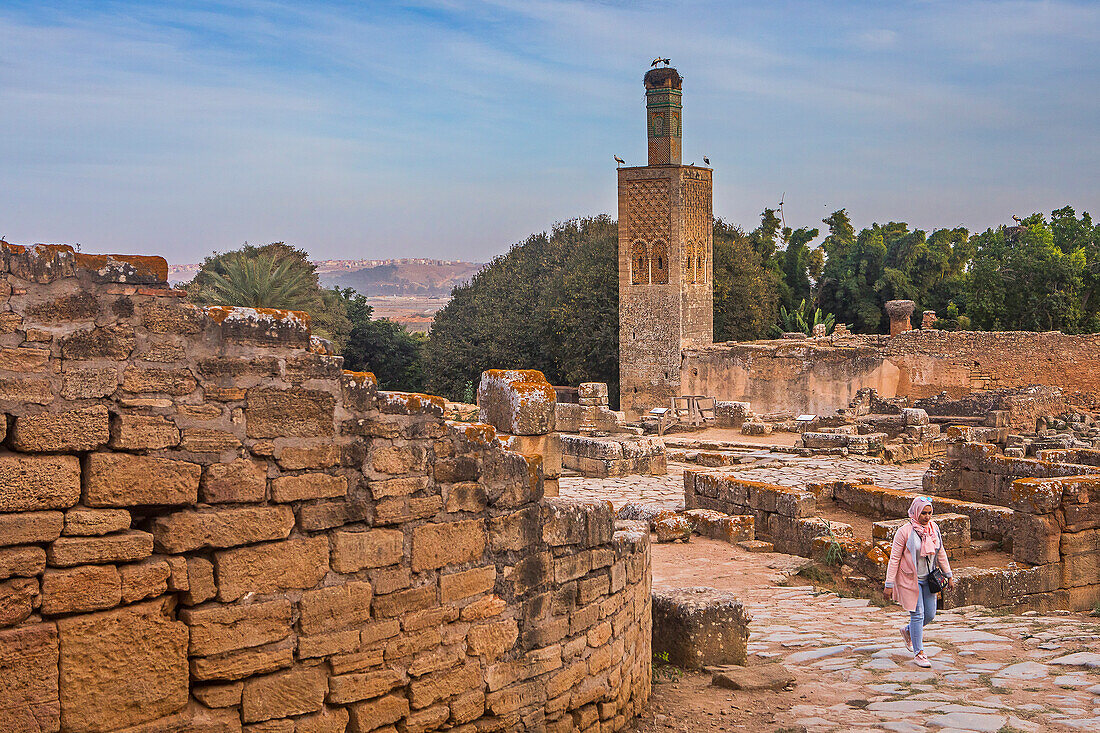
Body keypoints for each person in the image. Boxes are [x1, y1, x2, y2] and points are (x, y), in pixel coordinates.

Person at [883, 496, 955, 668]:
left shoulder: (934, 529)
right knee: (918, 614)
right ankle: (919, 652)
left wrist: (949, 575)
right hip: (910, 580)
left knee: (930, 614)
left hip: (929, 579)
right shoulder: (904, 532)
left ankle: (908, 631)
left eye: (930, 513)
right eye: (923, 513)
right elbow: (894, 559)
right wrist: (889, 584)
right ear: (916, 512)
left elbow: (941, 553)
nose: (927, 517)